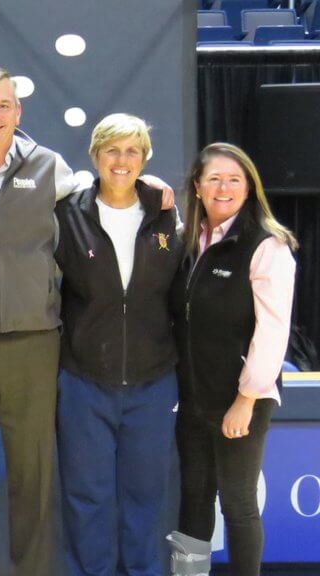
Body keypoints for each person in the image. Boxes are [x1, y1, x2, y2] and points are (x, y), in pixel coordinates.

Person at [0, 65, 174, 576]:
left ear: (19, 111)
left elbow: (106, 186)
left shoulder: (50, 167)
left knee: (33, 481)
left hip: (35, 343)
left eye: (3, 105)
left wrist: (146, 181)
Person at [54, 114, 183, 575]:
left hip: (153, 383)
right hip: (85, 382)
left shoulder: (165, 214)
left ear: (145, 158)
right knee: (86, 499)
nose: (121, 160)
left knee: (145, 498)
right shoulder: (68, 213)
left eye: (132, 151)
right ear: (95, 156)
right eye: (112, 150)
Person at [168, 143, 296, 576]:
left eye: (234, 179)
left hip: (240, 401)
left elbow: (273, 332)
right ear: (198, 187)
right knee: (194, 498)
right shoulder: (190, 240)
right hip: (191, 399)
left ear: (249, 188)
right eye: (214, 178)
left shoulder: (267, 246)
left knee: (238, 503)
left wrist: (245, 399)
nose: (224, 187)